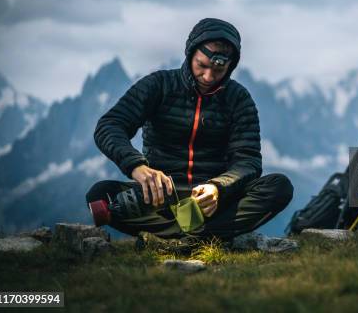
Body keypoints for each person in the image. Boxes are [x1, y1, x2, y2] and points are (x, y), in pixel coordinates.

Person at [86, 18, 293, 248]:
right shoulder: (159, 85)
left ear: (230, 66)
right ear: (190, 53)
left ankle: (178, 239)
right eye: (201, 66)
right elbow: (110, 125)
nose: (208, 76)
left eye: (218, 69)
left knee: (279, 187)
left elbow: (248, 161)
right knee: (99, 195)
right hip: (160, 199)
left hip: (212, 204)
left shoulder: (239, 99)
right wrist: (137, 167)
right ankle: (204, 238)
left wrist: (218, 187)